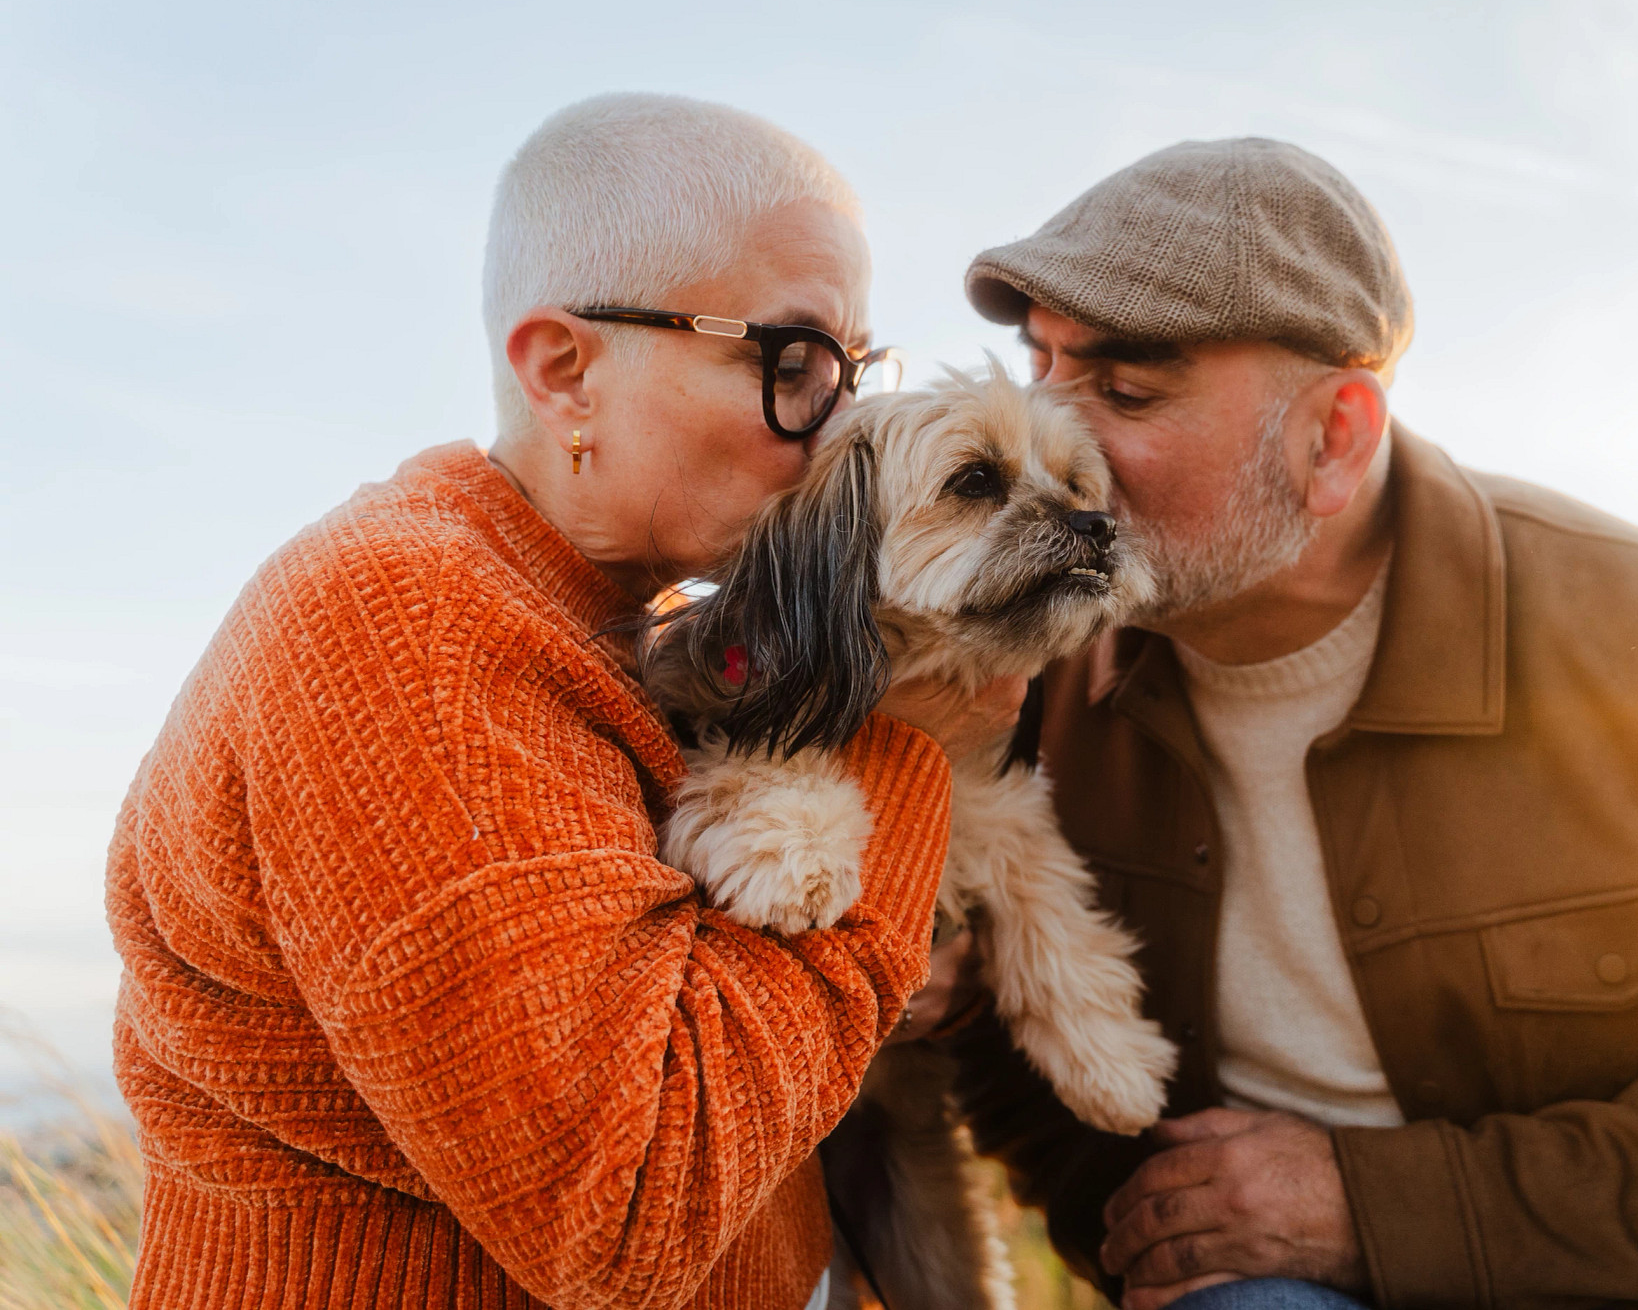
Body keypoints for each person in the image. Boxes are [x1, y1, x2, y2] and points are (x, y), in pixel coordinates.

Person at [945, 138, 1638, 1310]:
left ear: (1334, 438)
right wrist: (1166, 1234)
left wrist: (1367, 1210)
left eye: (1122, 392)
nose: (1047, 443)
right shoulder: (1014, 679)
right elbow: (1007, 1050)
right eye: (1042, 370)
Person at [104, 93, 1018, 1310]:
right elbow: (620, 1211)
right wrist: (904, 758)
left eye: (856, 368)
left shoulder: (606, 623)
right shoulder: (406, 627)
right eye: (791, 363)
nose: (840, 428)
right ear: (566, 373)